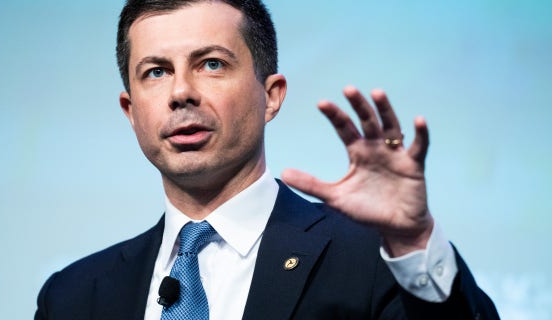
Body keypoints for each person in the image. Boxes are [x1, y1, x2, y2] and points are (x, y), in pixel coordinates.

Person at [35, 0, 499, 319]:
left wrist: (414, 240)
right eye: (156, 72)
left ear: (271, 96)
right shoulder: (75, 296)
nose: (180, 93)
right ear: (131, 112)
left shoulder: (372, 260)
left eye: (211, 63)